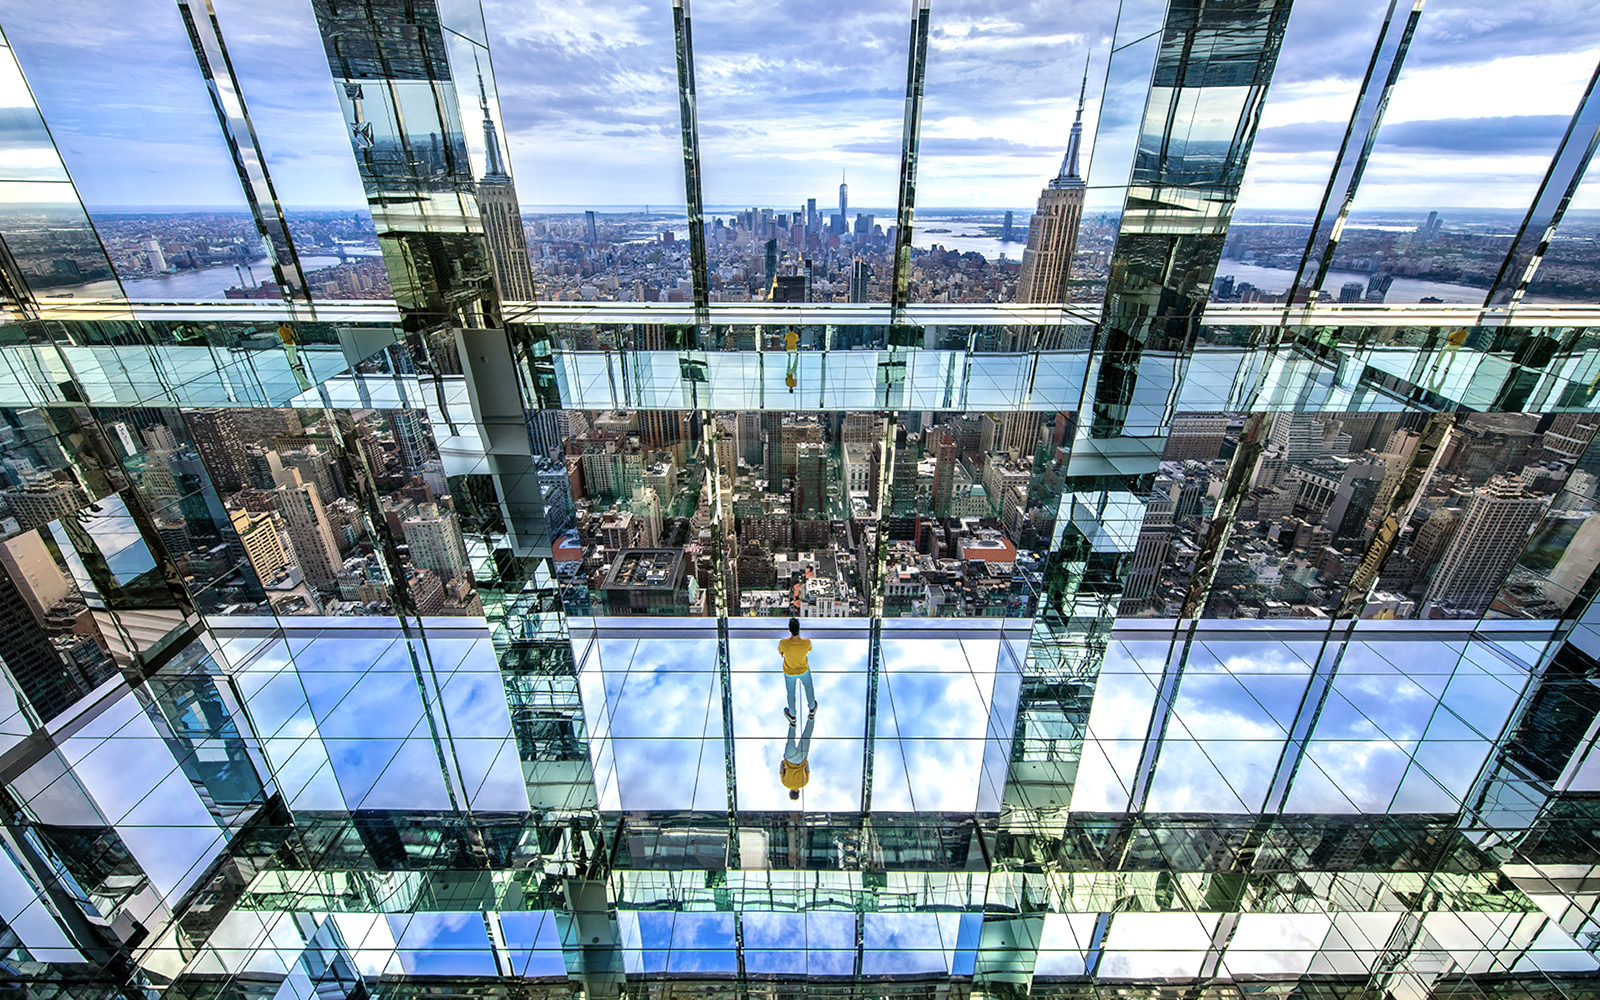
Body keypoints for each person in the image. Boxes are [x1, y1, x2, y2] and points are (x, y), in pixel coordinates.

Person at [778, 616, 816, 723]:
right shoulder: (806, 642)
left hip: (789, 671)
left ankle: (792, 715)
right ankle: (812, 708)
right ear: (799, 629)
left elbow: (781, 652)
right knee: (808, 687)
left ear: (789, 630)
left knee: (791, 692)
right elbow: (809, 650)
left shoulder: (783, 643)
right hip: (803, 669)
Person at [781, 711, 814, 802]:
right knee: (790, 739)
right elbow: (781, 768)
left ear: (798, 792)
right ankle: (793, 723)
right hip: (789, 759)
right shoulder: (785, 783)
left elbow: (807, 768)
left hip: (801, 759)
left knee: (807, 735)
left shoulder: (804, 783)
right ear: (790, 792)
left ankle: (811, 716)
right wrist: (784, 761)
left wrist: (804, 760)